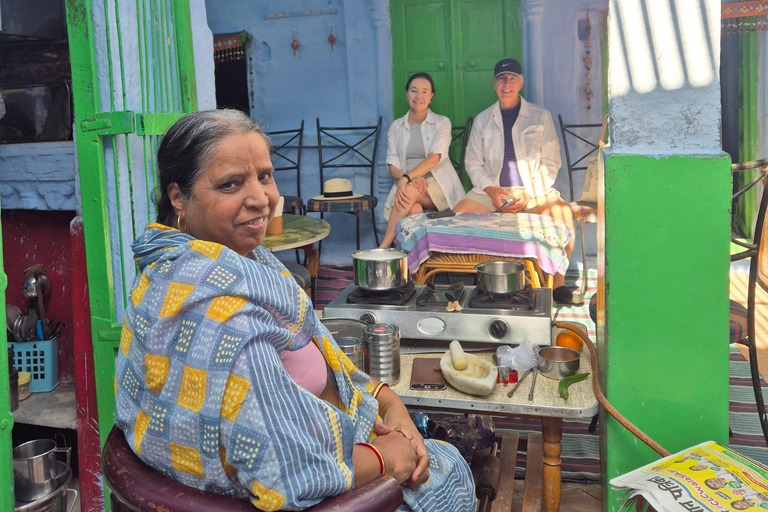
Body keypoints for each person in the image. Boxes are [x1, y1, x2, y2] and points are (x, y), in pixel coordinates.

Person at [113, 109, 476, 512]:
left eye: (265, 176)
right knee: (453, 467)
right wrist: (386, 457)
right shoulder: (225, 323)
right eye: (231, 183)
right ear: (179, 196)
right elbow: (288, 475)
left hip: (357, 435)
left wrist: (390, 403)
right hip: (347, 491)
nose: (261, 199)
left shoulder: (222, 264)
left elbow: (327, 364)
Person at [453, 58, 580, 304]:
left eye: (512, 78)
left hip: (533, 190)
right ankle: (477, 278)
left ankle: (559, 284)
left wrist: (529, 194)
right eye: (501, 79)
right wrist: (491, 190)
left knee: (563, 214)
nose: (506, 84)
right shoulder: (483, 119)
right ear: (494, 84)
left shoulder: (540, 116)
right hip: (492, 191)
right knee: (459, 214)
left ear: (520, 83)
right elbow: (472, 163)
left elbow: (551, 162)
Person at [380, 73, 465, 248]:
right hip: (409, 183)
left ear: (431, 96)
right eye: (414, 91)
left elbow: (434, 159)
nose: (419, 96)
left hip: (437, 185)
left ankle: (383, 249)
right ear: (406, 94)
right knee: (414, 210)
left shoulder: (442, 122)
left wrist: (407, 178)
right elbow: (392, 165)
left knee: (409, 192)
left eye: (425, 92)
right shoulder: (396, 127)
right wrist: (409, 177)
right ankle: (414, 271)